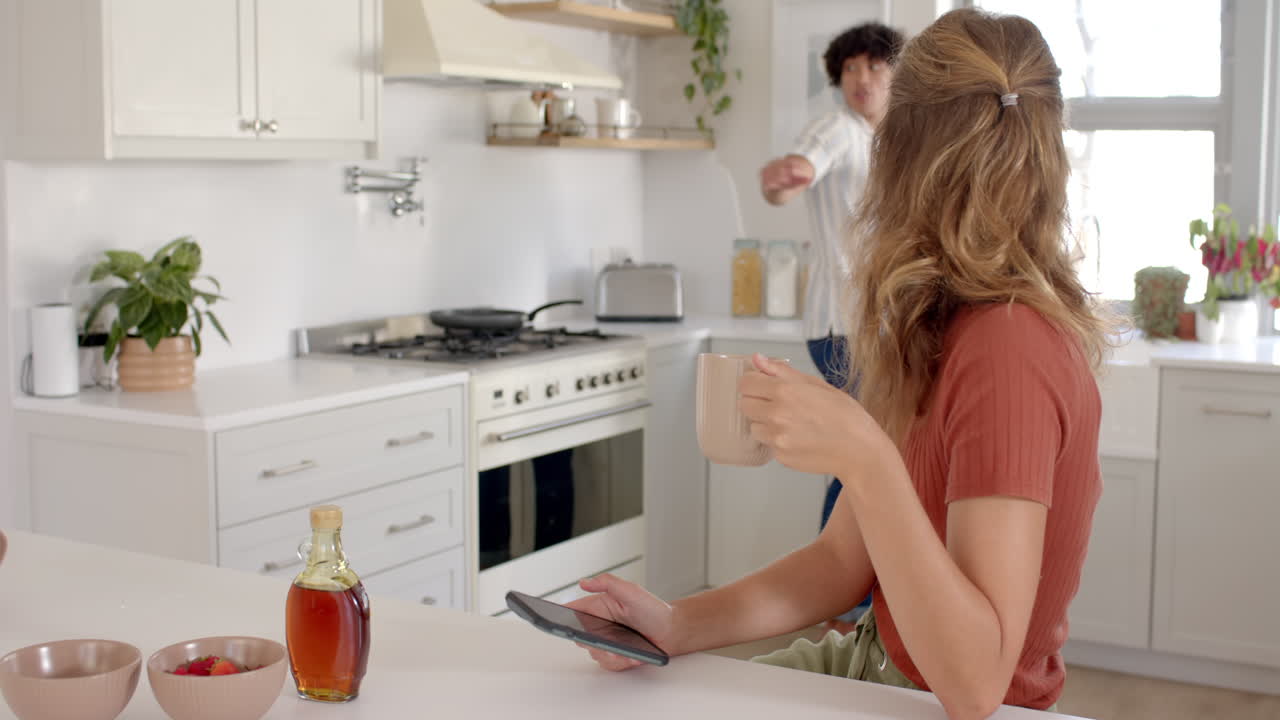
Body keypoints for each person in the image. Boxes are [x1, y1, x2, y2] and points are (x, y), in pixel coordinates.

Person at [568, 8, 1109, 718]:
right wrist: (676, 625)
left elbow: (975, 684)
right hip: (871, 656)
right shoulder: (938, 319)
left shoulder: (1007, 349)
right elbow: (841, 563)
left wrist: (865, 456)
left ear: (900, 153)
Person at [758, 23, 904, 626]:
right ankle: (842, 609)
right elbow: (797, 170)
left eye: (872, 67)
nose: (861, 80)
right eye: (849, 70)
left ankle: (853, 604)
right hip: (843, 329)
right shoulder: (837, 129)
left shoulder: (894, 140)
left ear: (894, 73)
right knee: (862, 458)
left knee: (869, 457)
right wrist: (785, 177)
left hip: (876, 327)